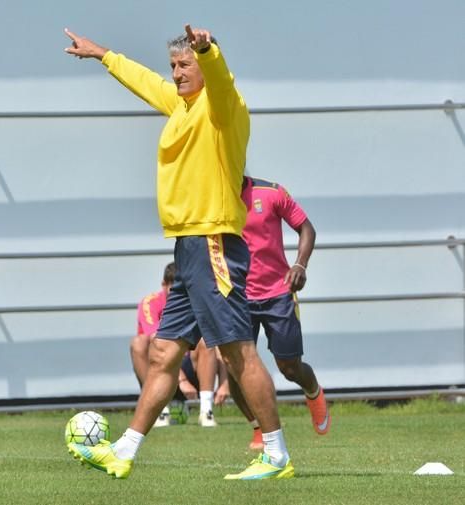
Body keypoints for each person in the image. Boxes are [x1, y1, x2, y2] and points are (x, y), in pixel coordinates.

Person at [64, 24, 293, 480]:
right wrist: (102, 54)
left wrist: (207, 50)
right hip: (188, 246)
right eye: (174, 65)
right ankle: (124, 451)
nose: (176, 73)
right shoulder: (183, 106)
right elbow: (146, 81)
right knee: (163, 352)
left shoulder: (222, 108)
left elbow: (222, 81)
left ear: (203, 67)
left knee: (236, 352)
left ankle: (275, 454)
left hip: (214, 242)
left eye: (184, 65)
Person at [229, 176, 330, 451]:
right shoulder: (211, 199)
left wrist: (300, 264)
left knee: (289, 367)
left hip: (278, 293)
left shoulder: (271, 193)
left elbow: (306, 228)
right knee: (234, 367)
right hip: (236, 295)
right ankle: (260, 427)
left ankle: (313, 392)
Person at [133, 262, 228, 428]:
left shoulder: (201, 301)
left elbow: (221, 344)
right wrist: (181, 380)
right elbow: (157, 345)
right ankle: (159, 409)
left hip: (195, 372)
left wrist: (225, 383)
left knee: (205, 341)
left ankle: (206, 411)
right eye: (174, 287)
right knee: (139, 343)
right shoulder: (150, 303)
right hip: (162, 371)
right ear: (164, 285)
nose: (179, 291)